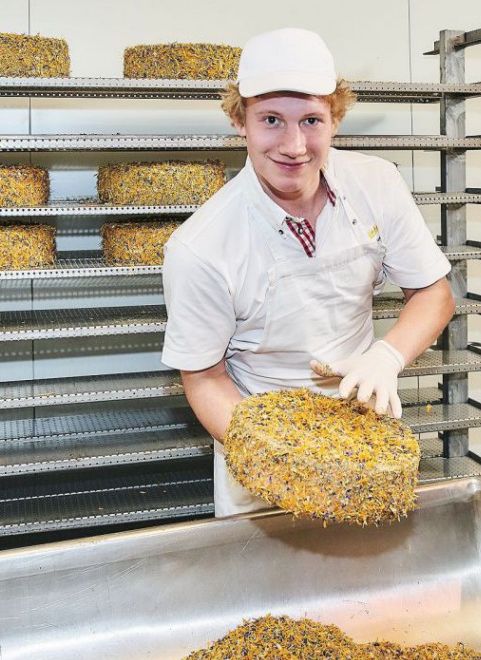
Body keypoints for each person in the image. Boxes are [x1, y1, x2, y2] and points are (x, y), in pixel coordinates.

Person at [161, 27, 455, 517]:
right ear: (241, 122)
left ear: (335, 119)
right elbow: (204, 378)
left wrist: (385, 357)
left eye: (312, 120)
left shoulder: (376, 184)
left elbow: (434, 294)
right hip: (258, 460)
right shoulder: (201, 247)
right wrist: (286, 461)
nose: (295, 146)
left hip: (363, 442)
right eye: (272, 120)